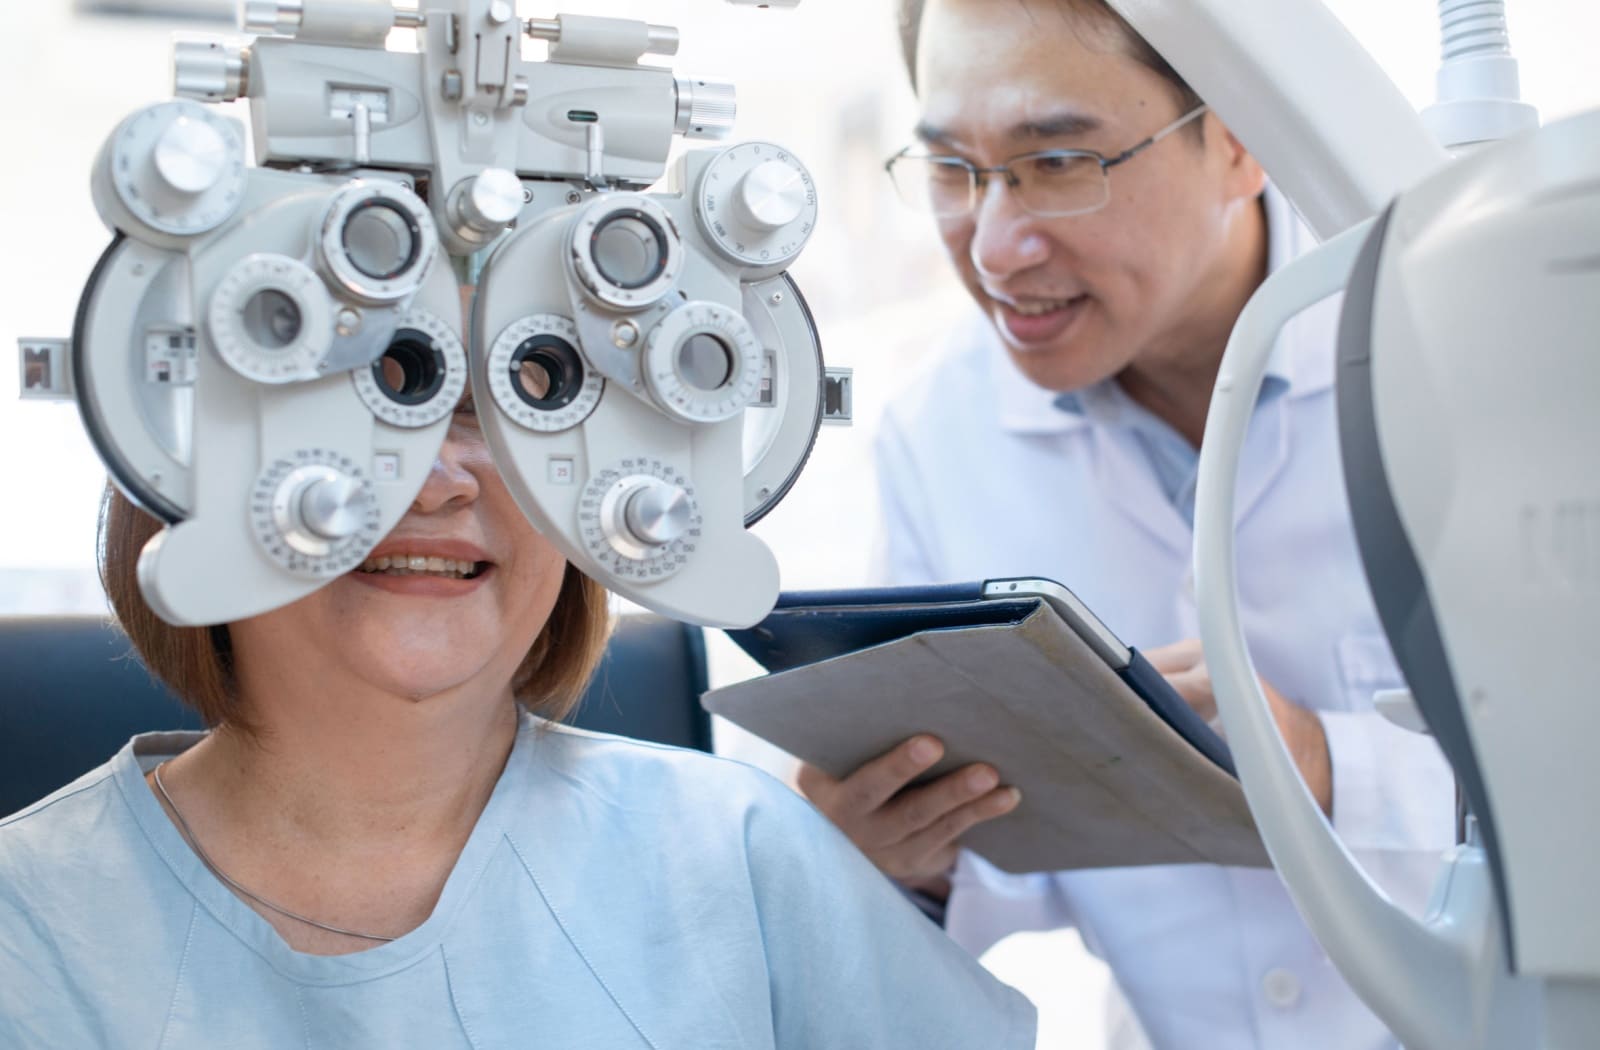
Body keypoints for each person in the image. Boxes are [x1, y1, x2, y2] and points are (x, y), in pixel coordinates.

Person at [0, 378, 1036, 1048]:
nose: (441, 476)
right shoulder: (32, 928)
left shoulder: (746, 855)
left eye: (520, 397)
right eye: (355, 399)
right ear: (179, 459)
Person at [797, 1, 1456, 1047]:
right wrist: (908, 853)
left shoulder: (1479, 359)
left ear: (1241, 137)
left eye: (1057, 160)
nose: (996, 247)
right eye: (950, 171)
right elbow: (1023, 873)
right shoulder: (937, 436)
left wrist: (1330, 774)